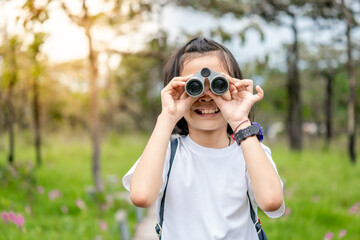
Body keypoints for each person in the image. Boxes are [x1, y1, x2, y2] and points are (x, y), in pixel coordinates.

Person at [122, 37, 285, 240]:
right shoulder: (166, 154)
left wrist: (240, 121)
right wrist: (167, 117)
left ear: (235, 87)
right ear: (174, 90)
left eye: (218, 84)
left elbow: (271, 201)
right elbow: (141, 196)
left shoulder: (250, 151)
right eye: (194, 86)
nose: (206, 97)